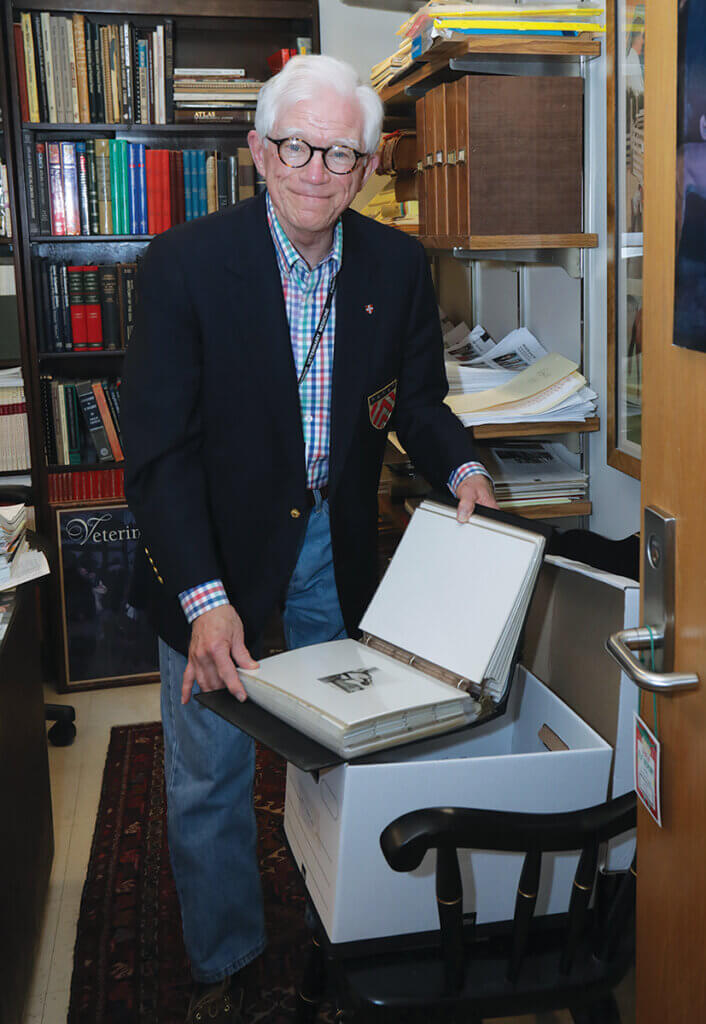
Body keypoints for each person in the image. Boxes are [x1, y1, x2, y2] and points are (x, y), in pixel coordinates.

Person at [121, 54, 497, 1023]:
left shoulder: (397, 266)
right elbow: (158, 457)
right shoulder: (184, 267)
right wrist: (203, 601)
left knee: (345, 754)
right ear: (256, 150)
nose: (317, 171)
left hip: (334, 546)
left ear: (368, 165)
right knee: (210, 772)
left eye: (340, 153)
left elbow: (417, 401)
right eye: (296, 146)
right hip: (213, 557)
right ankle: (229, 968)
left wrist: (461, 467)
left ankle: (347, 929)